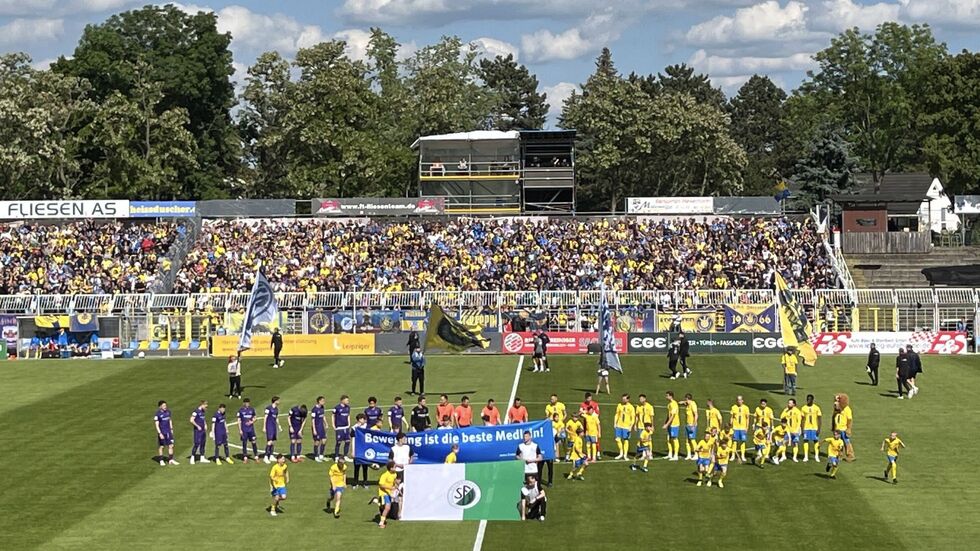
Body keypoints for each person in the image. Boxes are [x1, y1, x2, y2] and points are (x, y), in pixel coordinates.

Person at [154, 400, 177, 466]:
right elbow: (157, 425)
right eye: (163, 405)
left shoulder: (168, 412)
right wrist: (159, 433)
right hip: (162, 432)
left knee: (171, 445)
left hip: (168, 432)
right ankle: (161, 460)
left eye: (165, 405)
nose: (165, 407)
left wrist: (171, 429)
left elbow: (170, 420)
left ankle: (171, 460)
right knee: (162, 446)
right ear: (160, 406)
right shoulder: (157, 414)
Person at [350, 414, 370, 488]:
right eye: (361, 419)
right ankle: (355, 482)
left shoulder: (367, 427)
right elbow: (353, 439)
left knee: (365, 467)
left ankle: (365, 482)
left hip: (365, 449)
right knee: (356, 467)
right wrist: (353, 451)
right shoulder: (354, 428)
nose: (363, 420)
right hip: (357, 449)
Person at [801, 394, 822, 462]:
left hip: (814, 427)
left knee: (815, 441)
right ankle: (806, 456)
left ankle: (816, 456)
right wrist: (802, 429)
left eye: (810, 399)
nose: (808, 401)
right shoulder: (803, 408)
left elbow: (819, 419)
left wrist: (819, 429)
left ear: (813, 400)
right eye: (807, 399)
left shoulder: (816, 408)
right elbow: (802, 419)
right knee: (806, 440)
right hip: (806, 427)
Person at [614, 394, 636, 460]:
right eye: (622, 399)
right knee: (617, 439)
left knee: (626, 440)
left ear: (628, 399)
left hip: (626, 426)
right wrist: (615, 423)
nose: (623, 400)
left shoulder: (631, 407)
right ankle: (621, 453)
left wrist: (630, 426)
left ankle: (625, 455)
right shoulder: (619, 405)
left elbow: (633, 418)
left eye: (624, 399)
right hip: (619, 425)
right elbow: (616, 414)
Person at [377, 462, 398, 528]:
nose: (395, 468)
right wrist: (391, 488)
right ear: (391, 468)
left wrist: (395, 485)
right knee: (387, 508)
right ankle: (381, 523)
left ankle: (378, 503)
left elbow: (393, 481)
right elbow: (381, 485)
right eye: (394, 467)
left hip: (389, 493)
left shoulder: (394, 474)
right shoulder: (384, 475)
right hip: (384, 493)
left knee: (385, 507)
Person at [833, 393, 854, 461]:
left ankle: (850, 455)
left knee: (846, 442)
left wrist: (848, 429)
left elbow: (849, 420)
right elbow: (834, 418)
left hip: (844, 429)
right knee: (838, 442)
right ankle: (839, 454)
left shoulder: (847, 409)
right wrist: (833, 427)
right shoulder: (837, 410)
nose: (836, 403)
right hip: (837, 429)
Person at [729, 396, 750, 463]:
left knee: (743, 442)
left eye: (740, 400)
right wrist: (731, 425)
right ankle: (733, 455)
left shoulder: (746, 408)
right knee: (734, 441)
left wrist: (747, 427)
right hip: (735, 427)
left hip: (743, 427)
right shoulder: (733, 407)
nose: (739, 401)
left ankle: (743, 455)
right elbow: (732, 417)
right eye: (738, 400)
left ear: (742, 401)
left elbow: (747, 418)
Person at [238, 398, 259, 463]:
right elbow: (239, 420)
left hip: (251, 430)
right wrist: (240, 430)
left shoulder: (251, 410)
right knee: (244, 443)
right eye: (246, 403)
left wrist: (252, 422)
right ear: (244, 403)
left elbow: (255, 417)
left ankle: (256, 456)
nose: (247, 404)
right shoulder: (240, 411)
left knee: (254, 442)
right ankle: (245, 457)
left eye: (248, 403)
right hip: (244, 430)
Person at [332, 395, 352, 459]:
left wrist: (349, 424)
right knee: (339, 442)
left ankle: (345, 456)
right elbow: (333, 416)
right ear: (342, 400)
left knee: (347, 441)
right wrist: (333, 425)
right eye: (346, 400)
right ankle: (336, 456)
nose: (348, 401)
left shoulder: (348, 408)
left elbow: (348, 415)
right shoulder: (336, 408)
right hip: (339, 427)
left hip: (346, 427)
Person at [263, 396, 281, 463]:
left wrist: (279, 426)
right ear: (275, 401)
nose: (279, 401)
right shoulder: (268, 408)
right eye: (278, 400)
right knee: (269, 441)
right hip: (269, 426)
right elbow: (265, 417)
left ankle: (271, 455)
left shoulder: (276, 409)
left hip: (274, 426)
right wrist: (264, 427)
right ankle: (266, 456)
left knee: (272, 441)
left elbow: (276, 418)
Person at [189, 400, 209, 464]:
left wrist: (205, 424)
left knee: (203, 443)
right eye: (206, 406)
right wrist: (197, 426)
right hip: (197, 431)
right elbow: (191, 420)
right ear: (202, 405)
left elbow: (203, 419)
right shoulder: (196, 411)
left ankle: (202, 458)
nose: (206, 407)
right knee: (197, 443)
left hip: (203, 430)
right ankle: (192, 458)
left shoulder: (203, 411)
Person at [663, 391, 681, 461]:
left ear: (671, 396)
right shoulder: (669, 404)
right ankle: (670, 454)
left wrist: (667, 424)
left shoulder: (674, 404)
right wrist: (666, 423)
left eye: (667, 395)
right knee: (669, 439)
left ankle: (676, 455)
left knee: (674, 439)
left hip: (674, 424)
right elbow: (669, 415)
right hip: (670, 424)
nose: (666, 397)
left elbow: (673, 416)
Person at [683, 393, 699, 461]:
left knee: (692, 440)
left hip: (692, 425)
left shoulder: (693, 404)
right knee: (687, 440)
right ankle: (689, 454)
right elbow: (683, 403)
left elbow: (696, 415)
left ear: (687, 399)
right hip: (687, 424)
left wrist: (694, 424)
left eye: (685, 399)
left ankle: (696, 454)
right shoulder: (688, 404)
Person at [311, 396, 328, 463]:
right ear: (319, 401)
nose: (324, 402)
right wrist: (314, 429)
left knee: (324, 441)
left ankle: (321, 455)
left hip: (321, 427)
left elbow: (323, 416)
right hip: (316, 428)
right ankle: (316, 456)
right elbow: (313, 420)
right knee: (317, 442)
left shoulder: (322, 408)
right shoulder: (314, 409)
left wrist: (326, 423)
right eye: (323, 401)